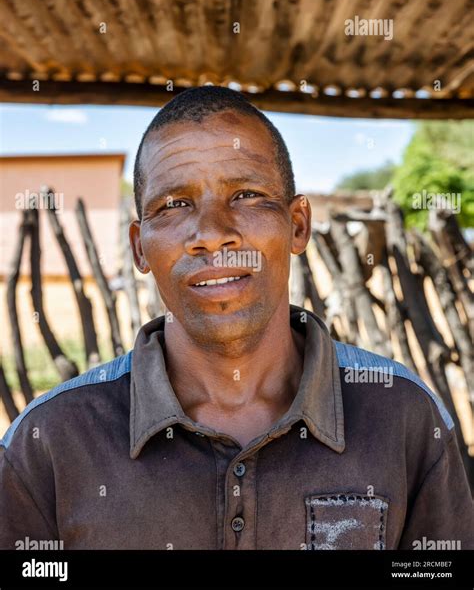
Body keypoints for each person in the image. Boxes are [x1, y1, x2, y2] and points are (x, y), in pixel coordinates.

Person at [1, 86, 472, 550]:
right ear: (139, 246)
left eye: (246, 195)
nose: (212, 234)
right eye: (174, 205)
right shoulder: (51, 443)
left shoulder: (403, 415)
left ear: (298, 224)